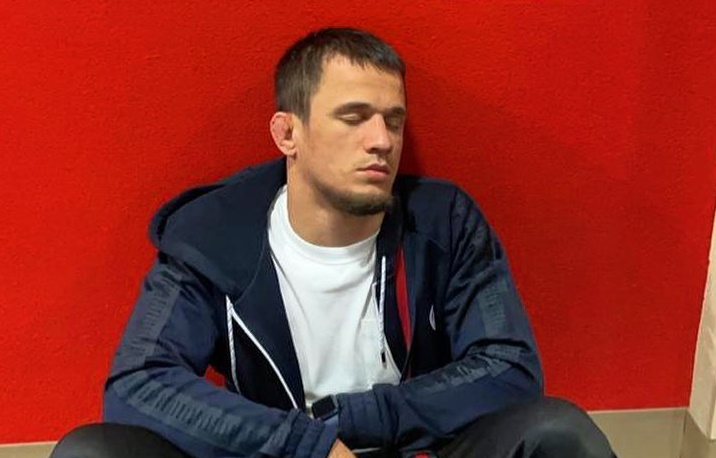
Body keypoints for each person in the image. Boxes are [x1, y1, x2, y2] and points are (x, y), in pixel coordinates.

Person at [51, 27, 616, 458]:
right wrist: (306, 446)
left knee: (558, 432)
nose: (381, 141)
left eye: (393, 120)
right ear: (287, 133)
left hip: (415, 448)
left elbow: (510, 367)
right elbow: (139, 384)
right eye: (354, 117)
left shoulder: (445, 221)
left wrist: (353, 419)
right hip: (279, 452)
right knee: (89, 452)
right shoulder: (212, 234)